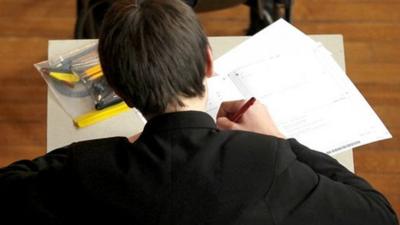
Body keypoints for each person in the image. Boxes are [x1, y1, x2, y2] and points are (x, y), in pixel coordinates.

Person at [0, 0, 398, 224]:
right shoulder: (270, 162)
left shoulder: (88, 169)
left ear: (116, 89)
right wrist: (280, 141)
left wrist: (118, 149)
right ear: (209, 63)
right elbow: (378, 215)